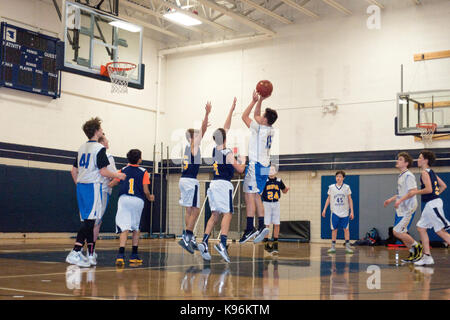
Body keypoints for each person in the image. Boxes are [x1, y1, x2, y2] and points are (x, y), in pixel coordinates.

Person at [67, 117, 125, 267]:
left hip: (81, 186)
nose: (101, 131)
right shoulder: (99, 149)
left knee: (88, 221)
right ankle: (75, 251)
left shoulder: (81, 148)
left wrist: (80, 183)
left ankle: (84, 254)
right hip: (93, 187)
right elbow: (104, 171)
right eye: (100, 129)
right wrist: (118, 175)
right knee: (90, 222)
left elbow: (73, 171)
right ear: (96, 131)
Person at [197, 98, 246, 263]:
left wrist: (231, 111)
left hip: (214, 184)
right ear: (225, 138)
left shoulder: (215, 149)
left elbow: (225, 128)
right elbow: (240, 170)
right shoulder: (228, 152)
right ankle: (222, 243)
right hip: (224, 185)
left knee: (214, 215)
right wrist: (244, 159)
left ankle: (204, 240)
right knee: (228, 213)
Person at [239, 90, 278, 244]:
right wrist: (260, 100)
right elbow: (256, 116)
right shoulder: (271, 130)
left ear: (265, 120)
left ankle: (250, 228)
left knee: (249, 196)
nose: (260, 117)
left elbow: (245, 116)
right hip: (265, 167)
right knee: (256, 197)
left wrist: (254, 101)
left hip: (255, 166)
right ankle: (261, 225)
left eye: (262, 116)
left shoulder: (259, 128)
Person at [111, 149, 155, 266]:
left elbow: (113, 183)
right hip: (137, 200)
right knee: (136, 227)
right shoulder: (144, 171)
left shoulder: (123, 170)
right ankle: (134, 255)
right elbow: (145, 190)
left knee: (124, 227)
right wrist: (150, 197)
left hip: (124, 199)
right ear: (139, 159)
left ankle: (120, 255)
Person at [178, 102, 211, 254]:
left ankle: (189, 237)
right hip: (191, 181)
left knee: (189, 210)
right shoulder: (193, 146)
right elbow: (202, 131)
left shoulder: (187, 148)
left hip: (184, 180)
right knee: (196, 210)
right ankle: (187, 236)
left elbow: (202, 132)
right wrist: (206, 114)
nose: (200, 136)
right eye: (197, 135)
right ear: (193, 137)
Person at [383, 152, 423, 263]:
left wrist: (400, 200)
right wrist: (391, 199)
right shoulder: (401, 176)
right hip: (401, 208)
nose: (397, 161)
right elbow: (401, 193)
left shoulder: (408, 175)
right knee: (402, 233)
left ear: (406, 163)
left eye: (400, 159)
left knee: (397, 232)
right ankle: (413, 254)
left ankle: (417, 246)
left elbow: (412, 192)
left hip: (408, 208)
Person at [413, 150, 450, 266]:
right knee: (421, 227)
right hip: (432, 204)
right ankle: (427, 256)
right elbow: (443, 186)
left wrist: (415, 192)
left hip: (433, 204)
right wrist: (436, 194)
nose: (417, 160)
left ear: (425, 160)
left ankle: (427, 256)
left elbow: (429, 189)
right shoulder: (431, 172)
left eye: (420, 158)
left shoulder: (425, 173)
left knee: (441, 232)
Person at [91, 134, 117, 261]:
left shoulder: (90, 153)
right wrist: (115, 180)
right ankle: (90, 252)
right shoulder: (107, 156)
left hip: (89, 189)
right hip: (102, 191)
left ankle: (89, 250)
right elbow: (113, 175)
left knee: (91, 220)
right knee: (96, 222)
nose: (108, 141)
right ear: (102, 142)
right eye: (106, 139)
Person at [321, 170, 354, 254]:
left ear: (343, 178)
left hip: (345, 212)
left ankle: (347, 247)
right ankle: (333, 247)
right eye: (337, 176)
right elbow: (328, 199)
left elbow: (350, 200)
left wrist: (352, 211)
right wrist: (324, 209)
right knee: (334, 229)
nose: (338, 178)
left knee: (346, 229)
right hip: (335, 212)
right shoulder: (331, 187)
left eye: (340, 176)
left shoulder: (347, 187)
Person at [261, 165, 289, 254]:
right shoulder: (264, 181)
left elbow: (284, 191)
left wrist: (286, 189)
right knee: (267, 224)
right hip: (266, 203)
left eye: (273, 170)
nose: (271, 172)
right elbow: (260, 192)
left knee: (277, 223)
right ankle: (266, 242)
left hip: (276, 203)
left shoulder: (279, 181)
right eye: (270, 170)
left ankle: (275, 243)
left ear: (275, 172)